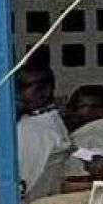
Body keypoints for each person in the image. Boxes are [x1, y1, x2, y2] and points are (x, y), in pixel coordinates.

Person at [15, 62, 73, 197]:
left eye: (24, 86)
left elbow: (20, 184)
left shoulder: (36, 129)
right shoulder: (43, 121)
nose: (16, 93)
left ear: (45, 90)